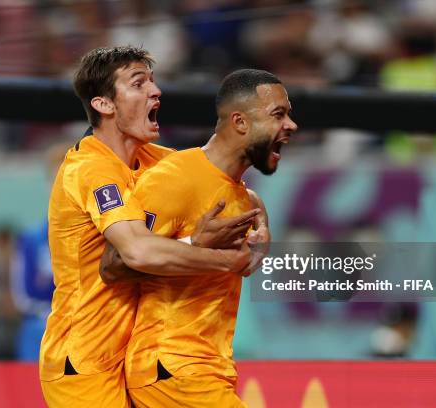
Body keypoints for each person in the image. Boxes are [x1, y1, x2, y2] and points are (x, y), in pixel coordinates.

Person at [39, 46, 262, 408]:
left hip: (136, 358)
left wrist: (260, 216)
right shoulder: (90, 168)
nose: (155, 92)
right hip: (83, 360)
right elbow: (137, 251)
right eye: (138, 83)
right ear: (104, 104)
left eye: (153, 82)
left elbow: (226, 180)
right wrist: (223, 259)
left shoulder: (153, 158)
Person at [101, 69, 297, 407]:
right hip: (171, 366)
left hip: (208, 368)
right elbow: (115, 264)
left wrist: (257, 244)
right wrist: (197, 245)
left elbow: (236, 265)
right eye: (278, 114)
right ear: (240, 122)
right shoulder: (175, 178)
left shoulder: (244, 199)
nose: (291, 125)